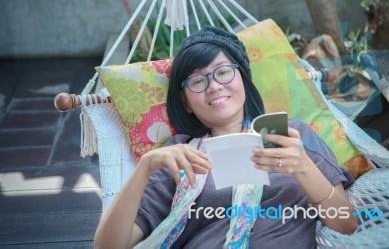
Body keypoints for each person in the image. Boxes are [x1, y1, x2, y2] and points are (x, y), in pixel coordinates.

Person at [94, 27, 358, 249]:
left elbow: (346, 223)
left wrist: (303, 167)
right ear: (186, 102)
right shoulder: (178, 157)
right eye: (198, 81)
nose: (214, 86)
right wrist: (146, 166)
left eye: (222, 72)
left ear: (242, 78)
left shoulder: (291, 136)